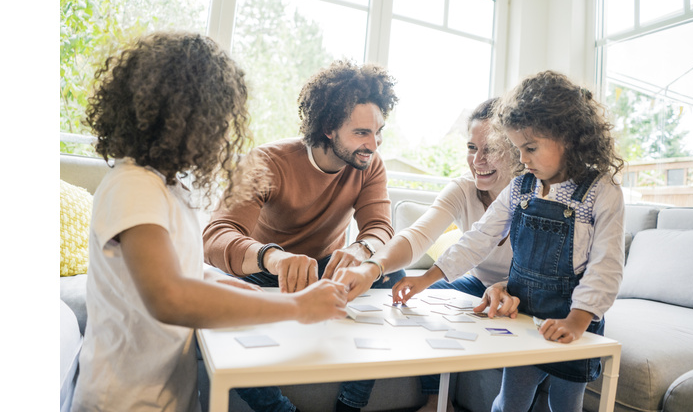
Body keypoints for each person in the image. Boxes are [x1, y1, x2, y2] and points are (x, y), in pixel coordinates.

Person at [71, 32, 348, 412]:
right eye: (217, 117)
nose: (221, 132)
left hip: (167, 394)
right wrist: (297, 307)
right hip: (122, 400)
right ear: (185, 117)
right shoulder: (132, 185)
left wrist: (227, 283)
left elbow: (182, 264)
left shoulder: (167, 184)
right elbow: (169, 296)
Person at [402, 70, 625, 412]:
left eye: (531, 148)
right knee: (509, 403)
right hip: (523, 320)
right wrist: (428, 277)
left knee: (566, 406)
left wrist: (577, 320)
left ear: (567, 137)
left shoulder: (602, 193)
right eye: (518, 148)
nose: (522, 159)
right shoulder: (521, 186)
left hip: (575, 321)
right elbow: (479, 238)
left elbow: (606, 267)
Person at [202, 59, 402, 412]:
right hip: (264, 268)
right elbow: (217, 235)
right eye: (361, 133)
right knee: (215, 294)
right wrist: (273, 257)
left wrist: (360, 249)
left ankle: (349, 405)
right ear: (328, 128)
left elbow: (380, 229)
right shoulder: (267, 161)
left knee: (391, 273)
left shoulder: (370, 164)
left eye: (378, 131)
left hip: (325, 270)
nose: (373, 144)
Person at [332, 98, 516, 411]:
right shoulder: (463, 189)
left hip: (523, 290)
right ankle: (358, 404)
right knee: (401, 298)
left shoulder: (534, 195)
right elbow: (418, 236)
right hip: (476, 284)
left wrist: (511, 287)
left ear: (516, 150)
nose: (478, 160)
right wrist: (372, 268)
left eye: (491, 149)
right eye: (472, 147)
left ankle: (435, 402)